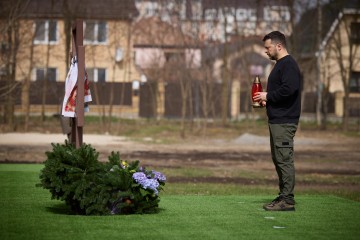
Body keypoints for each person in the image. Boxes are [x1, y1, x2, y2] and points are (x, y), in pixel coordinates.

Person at [253, 31, 301, 211]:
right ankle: (283, 196)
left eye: (268, 47)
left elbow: (290, 89)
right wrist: (268, 99)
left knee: (284, 159)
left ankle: (287, 200)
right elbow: (282, 92)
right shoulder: (280, 65)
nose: (266, 51)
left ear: (278, 46)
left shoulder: (288, 64)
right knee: (279, 158)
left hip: (284, 121)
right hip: (277, 120)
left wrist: (268, 95)